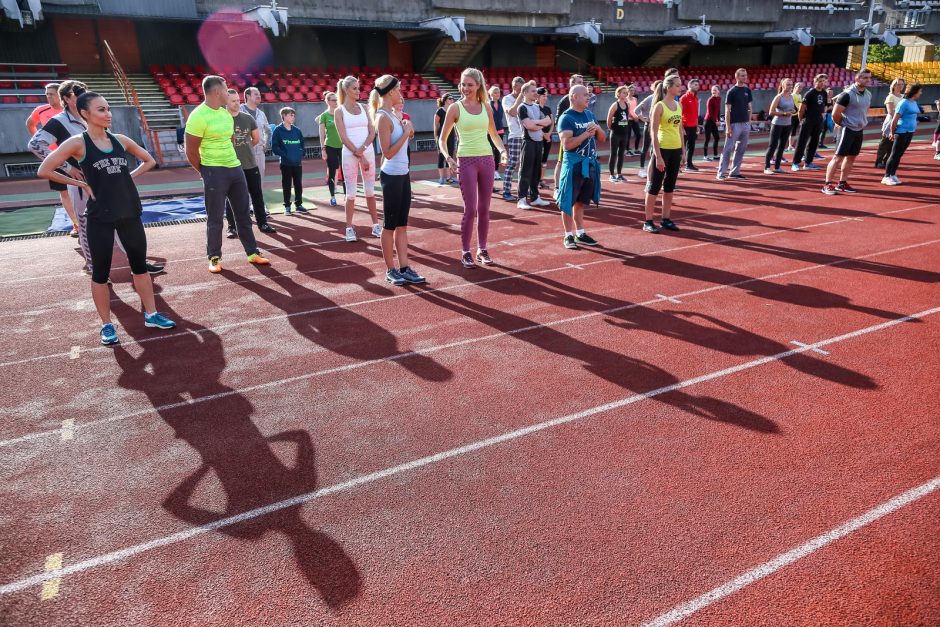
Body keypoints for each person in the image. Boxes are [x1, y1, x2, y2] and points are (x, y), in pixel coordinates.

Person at [37, 92, 176, 345]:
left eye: (108, 109)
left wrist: (128, 177)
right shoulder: (77, 143)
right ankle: (107, 325)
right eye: (101, 110)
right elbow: (44, 169)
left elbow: (150, 160)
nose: (108, 113)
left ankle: (152, 314)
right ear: (85, 114)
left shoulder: (120, 140)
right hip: (100, 216)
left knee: (140, 267)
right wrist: (79, 181)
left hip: (129, 212)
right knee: (100, 273)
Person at [184, 75, 270, 273]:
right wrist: (205, 171)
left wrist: (232, 164)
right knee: (215, 218)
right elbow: (191, 151)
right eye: (225, 88)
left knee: (243, 214)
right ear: (216, 92)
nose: (228, 91)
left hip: (235, 168)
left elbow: (229, 140)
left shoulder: (224, 114)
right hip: (214, 171)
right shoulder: (198, 116)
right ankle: (214, 257)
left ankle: (252, 252)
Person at [439, 67, 508, 268]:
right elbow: (442, 139)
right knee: (470, 209)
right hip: (466, 160)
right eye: (463, 84)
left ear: (478, 85)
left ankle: (483, 249)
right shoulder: (455, 108)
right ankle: (466, 251)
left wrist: (502, 151)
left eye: (470, 84)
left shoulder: (486, 106)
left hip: (487, 160)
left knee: (484, 208)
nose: (465, 88)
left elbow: (494, 134)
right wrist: (448, 158)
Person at [369, 75, 425, 286]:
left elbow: (403, 140)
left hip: (403, 174)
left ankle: (405, 267)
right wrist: (406, 134)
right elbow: (388, 152)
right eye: (399, 89)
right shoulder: (382, 117)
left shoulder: (393, 114)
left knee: (402, 225)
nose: (401, 92)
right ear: (391, 92)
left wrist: (407, 128)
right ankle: (391, 270)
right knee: (390, 225)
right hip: (391, 176)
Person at [26, 82, 78, 236]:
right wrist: (43, 144)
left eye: (52, 94)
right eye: (46, 94)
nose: (48, 97)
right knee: (64, 192)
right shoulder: (41, 110)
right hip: (55, 158)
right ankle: (76, 224)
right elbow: (30, 124)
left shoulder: (70, 110)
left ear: (61, 95)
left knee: (82, 188)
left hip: (74, 155)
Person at [556, 84, 605, 249]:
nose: (588, 97)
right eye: (585, 95)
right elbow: (567, 145)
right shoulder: (566, 118)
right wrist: (586, 134)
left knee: (580, 202)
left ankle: (580, 233)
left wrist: (597, 128)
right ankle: (568, 235)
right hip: (573, 165)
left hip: (589, 163)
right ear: (574, 97)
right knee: (568, 200)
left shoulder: (590, 114)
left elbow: (603, 139)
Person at [334, 76, 382, 242]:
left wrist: (362, 151)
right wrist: (358, 153)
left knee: (370, 191)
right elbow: (343, 137)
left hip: (366, 152)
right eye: (354, 88)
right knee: (351, 193)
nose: (358, 91)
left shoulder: (363, 107)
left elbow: (372, 132)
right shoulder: (339, 111)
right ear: (346, 90)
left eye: (358, 88)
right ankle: (349, 227)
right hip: (349, 154)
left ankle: (376, 226)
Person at [222, 89, 275, 237]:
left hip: (250, 163)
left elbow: (256, 139)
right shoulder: (221, 119)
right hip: (230, 164)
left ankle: (262, 223)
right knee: (230, 197)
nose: (237, 103)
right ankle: (232, 227)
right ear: (226, 102)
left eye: (238, 101)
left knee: (257, 194)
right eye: (233, 101)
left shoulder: (247, 118)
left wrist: (244, 148)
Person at [643, 75, 683, 234]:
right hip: (662, 149)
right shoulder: (659, 106)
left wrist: (684, 152)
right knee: (654, 186)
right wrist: (658, 156)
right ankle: (648, 221)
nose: (680, 88)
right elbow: (652, 132)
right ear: (668, 87)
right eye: (678, 85)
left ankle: (666, 218)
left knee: (670, 187)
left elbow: (680, 129)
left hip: (676, 149)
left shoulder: (679, 105)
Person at [822, 69, 872, 195]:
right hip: (847, 129)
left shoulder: (868, 94)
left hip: (859, 129)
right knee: (838, 157)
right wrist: (842, 124)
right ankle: (827, 184)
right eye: (864, 77)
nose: (867, 80)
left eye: (869, 77)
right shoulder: (847, 94)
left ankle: (842, 183)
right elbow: (835, 114)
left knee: (851, 157)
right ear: (857, 78)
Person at [516, 80, 552, 209]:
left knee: (536, 172)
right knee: (526, 171)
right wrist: (539, 123)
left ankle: (535, 197)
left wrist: (536, 123)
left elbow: (548, 121)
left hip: (538, 142)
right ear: (525, 93)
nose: (535, 92)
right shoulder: (522, 107)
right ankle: (521, 198)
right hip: (528, 142)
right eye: (532, 91)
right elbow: (529, 125)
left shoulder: (537, 107)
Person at [882, 83, 923, 186]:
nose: (921, 93)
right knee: (894, 154)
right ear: (914, 92)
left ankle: (892, 174)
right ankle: (886, 176)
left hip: (910, 131)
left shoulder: (914, 102)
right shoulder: (903, 103)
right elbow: (894, 119)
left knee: (899, 154)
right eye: (920, 91)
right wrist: (892, 132)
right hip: (901, 132)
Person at [716, 68, 752, 180]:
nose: (744, 77)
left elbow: (750, 108)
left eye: (745, 75)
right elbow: (727, 110)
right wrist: (728, 127)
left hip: (745, 124)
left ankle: (735, 172)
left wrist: (749, 122)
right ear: (736, 77)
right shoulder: (731, 92)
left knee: (741, 149)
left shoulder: (747, 90)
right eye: (742, 75)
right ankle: (721, 173)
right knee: (728, 149)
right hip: (734, 124)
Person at [271, 107, 307, 215]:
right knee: (286, 185)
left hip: (297, 163)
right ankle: (287, 206)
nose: (293, 117)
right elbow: (275, 147)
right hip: (286, 163)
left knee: (298, 184)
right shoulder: (278, 130)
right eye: (291, 115)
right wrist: (285, 155)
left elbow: (302, 145)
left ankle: (299, 204)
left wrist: (300, 154)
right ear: (284, 116)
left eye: (294, 115)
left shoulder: (297, 130)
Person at [552, 74, 585, 192]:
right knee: (561, 162)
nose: (582, 84)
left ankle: (575, 187)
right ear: (572, 84)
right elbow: (558, 121)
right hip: (568, 138)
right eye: (579, 82)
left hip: (580, 139)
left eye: (582, 82)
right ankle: (557, 188)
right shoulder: (565, 101)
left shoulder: (582, 100)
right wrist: (565, 135)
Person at [792, 74, 829, 172]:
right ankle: (795, 163)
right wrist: (801, 120)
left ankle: (808, 163)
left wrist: (823, 114)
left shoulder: (824, 93)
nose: (821, 83)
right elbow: (801, 108)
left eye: (823, 81)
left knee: (814, 142)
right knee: (802, 142)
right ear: (815, 82)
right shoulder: (810, 93)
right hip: (808, 121)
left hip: (818, 121)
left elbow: (824, 105)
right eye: (819, 81)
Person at [316, 91, 345, 206]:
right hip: (330, 147)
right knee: (332, 172)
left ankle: (347, 195)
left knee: (345, 171)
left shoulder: (341, 113)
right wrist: (323, 149)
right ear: (327, 101)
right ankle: (332, 196)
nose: (336, 102)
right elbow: (321, 134)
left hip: (343, 146)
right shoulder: (324, 116)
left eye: (336, 100)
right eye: (333, 100)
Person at [764, 78, 796, 175]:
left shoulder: (791, 97)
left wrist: (793, 111)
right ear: (783, 85)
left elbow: (793, 108)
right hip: (777, 124)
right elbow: (771, 112)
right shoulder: (778, 97)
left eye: (791, 84)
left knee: (782, 146)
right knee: (772, 146)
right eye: (788, 84)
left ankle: (777, 167)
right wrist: (785, 113)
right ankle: (767, 167)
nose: (790, 86)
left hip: (787, 124)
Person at [501, 76, 526, 201]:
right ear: (514, 87)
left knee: (525, 165)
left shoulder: (525, 99)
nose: (522, 91)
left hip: (527, 135)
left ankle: (523, 191)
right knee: (512, 164)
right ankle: (506, 191)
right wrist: (521, 98)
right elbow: (512, 112)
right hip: (515, 135)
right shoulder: (507, 99)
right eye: (520, 88)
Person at [240, 87, 271, 186]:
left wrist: (265, 144)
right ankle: (246, 202)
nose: (259, 96)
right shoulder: (238, 110)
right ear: (248, 96)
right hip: (242, 152)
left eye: (259, 94)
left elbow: (268, 131)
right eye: (256, 94)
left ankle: (257, 202)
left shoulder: (261, 114)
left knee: (259, 181)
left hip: (259, 152)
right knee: (243, 181)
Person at [874, 77, 906, 169]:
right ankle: (878, 161)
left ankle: (887, 160)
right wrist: (898, 119)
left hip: (901, 123)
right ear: (894, 85)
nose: (900, 86)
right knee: (885, 143)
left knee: (894, 145)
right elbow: (890, 112)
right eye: (898, 84)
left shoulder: (904, 97)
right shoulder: (890, 96)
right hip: (891, 122)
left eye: (902, 84)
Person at [606, 85, 631, 182]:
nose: (626, 94)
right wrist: (611, 128)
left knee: (621, 154)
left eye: (626, 92)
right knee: (613, 154)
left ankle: (619, 174)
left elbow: (627, 117)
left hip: (624, 133)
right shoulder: (615, 105)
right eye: (624, 92)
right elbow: (609, 119)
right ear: (619, 94)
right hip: (616, 133)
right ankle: (612, 175)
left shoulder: (627, 104)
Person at [634, 84, 656, 179]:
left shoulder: (663, 99)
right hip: (649, 126)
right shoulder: (650, 98)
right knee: (645, 148)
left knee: (656, 148)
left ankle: (653, 167)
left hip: (659, 127)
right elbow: (636, 109)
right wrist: (643, 119)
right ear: (654, 88)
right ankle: (642, 169)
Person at [434, 93, 456, 185]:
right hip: (441, 136)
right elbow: (435, 124)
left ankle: (449, 177)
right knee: (441, 157)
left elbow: (455, 124)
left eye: (452, 98)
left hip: (451, 135)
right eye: (450, 98)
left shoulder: (453, 111)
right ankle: (441, 178)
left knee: (450, 155)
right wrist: (435, 136)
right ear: (446, 100)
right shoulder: (440, 111)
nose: (452, 100)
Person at [680, 79, 700, 172]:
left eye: (697, 85)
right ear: (690, 86)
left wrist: (696, 126)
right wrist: (682, 127)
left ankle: (689, 164)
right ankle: (678, 164)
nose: (697, 86)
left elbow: (696, 114)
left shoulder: (696, 98)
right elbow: (679, 114)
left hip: (693, 126)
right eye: (695, 85)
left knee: (691, 146)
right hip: (685, 126)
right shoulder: (683, 98)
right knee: (681, 146)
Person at [537, 87, 553, 189]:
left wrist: (549, 134)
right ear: (538, 96)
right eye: (543, 96)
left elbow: (552, 122)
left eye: (546, 96)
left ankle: (541, 180)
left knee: (544, 159)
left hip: (548, 137)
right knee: (537, 159)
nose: (545, 98)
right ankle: (536, 180)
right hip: (539, 137)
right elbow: (535, 123)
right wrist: (543, 134)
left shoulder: (548, 109)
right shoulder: (535, 108)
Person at [489, 85, 506, 178]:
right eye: (495, 92)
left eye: (498, 92)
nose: (497, 94)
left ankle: (496, 171)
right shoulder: (487, 104)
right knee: (491, 151)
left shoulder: (501, 104)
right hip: (490, 131)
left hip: (500, 130)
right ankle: (490, 170)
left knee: (498, 151)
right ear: (491, 94)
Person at [703, 85, 721, 161]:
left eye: (715, 90)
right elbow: (710, 113)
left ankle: (715, 155)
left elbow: (718, 110)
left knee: (717, 137)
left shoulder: (719, 99)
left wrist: (719, 120)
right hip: (708, 121)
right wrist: (716, 121)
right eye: (712, 90)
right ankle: (705, 156)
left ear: (718, 91)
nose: (713, 91)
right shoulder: (710, 100)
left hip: (714, 121)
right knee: (707, 138)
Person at [625, 84, 641, 155]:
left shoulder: (635, 99)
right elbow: (627, 110)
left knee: (638, 134)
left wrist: (637, 116)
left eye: (633, 91)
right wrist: (634, 117)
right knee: (628, 136)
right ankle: (627, 150)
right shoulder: (626, 99)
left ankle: (636, 149)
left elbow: (635, 109)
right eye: (631, 90)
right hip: (628, 119)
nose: (632, 92)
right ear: (628, 91)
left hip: (634, 119)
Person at [787, 82, 803, 152]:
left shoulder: (799, 95)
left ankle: (791, 145)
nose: (799, 88)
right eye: (798, 86)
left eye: (801, 87)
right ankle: (789, 145)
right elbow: (792, 105)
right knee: (789, 131)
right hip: (792, 116)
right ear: (795, 87)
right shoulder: (792, 95)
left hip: (797, 115)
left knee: (794, 131)